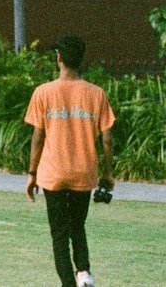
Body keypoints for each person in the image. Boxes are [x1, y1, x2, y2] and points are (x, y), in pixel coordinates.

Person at [25, 34, 115, 287]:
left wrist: (32, 174)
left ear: (59, 58)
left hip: (53, 173)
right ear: (81, 60)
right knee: (78, 225)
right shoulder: (96, 94)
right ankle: (84, 273)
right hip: (84, 172)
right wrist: (107, 173)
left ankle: (67, 283)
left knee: (59, 234)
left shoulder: (43, 92)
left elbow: (38, 136)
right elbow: (107, 138)